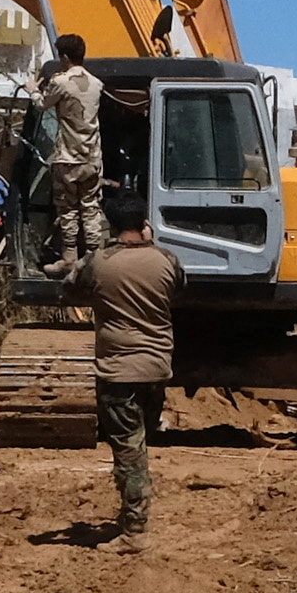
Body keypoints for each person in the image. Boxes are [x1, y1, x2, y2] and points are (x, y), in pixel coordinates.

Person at [85, 212, 182, 541]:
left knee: (129, 453)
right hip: (157, 368)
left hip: (119, 372)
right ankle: (132, 514)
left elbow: (71, 288)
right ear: (145, 225)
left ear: (112, 227)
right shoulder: (166, 259)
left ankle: (134, 532)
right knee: (138, 445)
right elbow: (179, 288)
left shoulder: (100, 262)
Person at [34, 35, 108, 282]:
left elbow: (42, 105)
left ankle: (69, 259)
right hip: (92, 159)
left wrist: (32, 90)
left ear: (64, 57)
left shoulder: (61, 82)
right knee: (90, 208)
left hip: (67, 158)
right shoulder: (97, 84)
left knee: (67, 210)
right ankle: (93, 257)